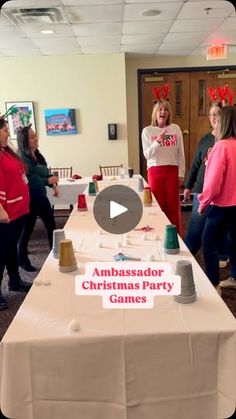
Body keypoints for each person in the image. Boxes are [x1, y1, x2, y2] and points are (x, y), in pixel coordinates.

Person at [184, 102, 228, 264]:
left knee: (220, 228)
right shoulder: (205, 139)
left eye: (217, 114)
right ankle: (186, 255)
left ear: (225, 116)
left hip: (222, 194)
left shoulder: (228, 140)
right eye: (211, 114)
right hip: (201, 190)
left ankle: (223, 255)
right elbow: (196, 164)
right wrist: (188, 186)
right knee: (196, 228)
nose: (214, 117)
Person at [198, 106, 236, 291]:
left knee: (208, 241)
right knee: (234, 240)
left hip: (221, 204)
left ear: (224, 123)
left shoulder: (221, 146)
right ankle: (234, 277)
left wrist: (203, 202)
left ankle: (214, 284)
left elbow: (214, 182)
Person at [17, 125, 58, 271]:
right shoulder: (22, 157)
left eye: (35, 136)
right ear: (25, 141)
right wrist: (48, 181)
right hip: (30, 199)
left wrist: (52, 182)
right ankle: (22, 260)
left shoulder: (37, 154)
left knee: (51, 226)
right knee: (27, 230)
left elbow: (45, 172)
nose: (36, 139)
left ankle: (56, 253)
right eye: (32, 137)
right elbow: (32, 180)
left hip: (41, 197)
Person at [0, 118, 31, 310]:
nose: (7, 134)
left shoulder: (6, 152)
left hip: (18, 210)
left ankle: (15, 281)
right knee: (1, 253)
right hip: (6, 213)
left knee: (10, 249)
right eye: (4, 130)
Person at [142, 99, 185, 235]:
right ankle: (158, 235)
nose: (163, 112)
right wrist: (157, 142)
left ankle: (174, 237)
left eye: (166, 109)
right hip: (155, 172)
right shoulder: (147, 131)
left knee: (173, 207)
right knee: (157, 206)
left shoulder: (175, 128)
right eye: (160, 109)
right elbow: (147, 155)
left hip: (172, 172)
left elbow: (180, 153)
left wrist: (181, 173)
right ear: (155, 113)